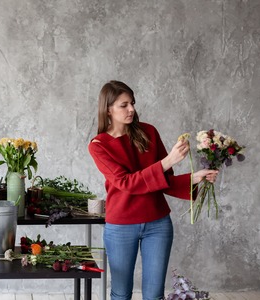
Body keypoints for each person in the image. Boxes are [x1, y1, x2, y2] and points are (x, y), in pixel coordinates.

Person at [88, 80, 218, 300]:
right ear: (108, 109)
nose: (132, 109)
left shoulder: (148, 131)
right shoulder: (98, 145)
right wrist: (168, 161)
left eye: (133, 103)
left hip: (158, 224)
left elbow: (164, 180)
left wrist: (194, 179)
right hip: (120, 226)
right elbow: (127, 183)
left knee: (154, 295)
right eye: (124, 105)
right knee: (120, 294)